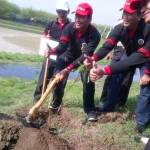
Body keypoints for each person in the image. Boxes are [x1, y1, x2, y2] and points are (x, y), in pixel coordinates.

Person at [85, 0, 150, 132]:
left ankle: (141, 121)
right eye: (124, 13)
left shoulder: (147, 29)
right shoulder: (119, 28)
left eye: (129, 14)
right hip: (131, 54)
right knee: (115, 74)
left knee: (146, 85)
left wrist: (148, 73)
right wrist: (93, 57)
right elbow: (107, 46)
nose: (125, 17)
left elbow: (137, 58)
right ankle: (109, 106)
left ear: (139, 16)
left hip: (146, 59)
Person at [45, 3, 101, 121]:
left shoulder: (95, 34)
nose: (78, 19)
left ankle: (90, 109)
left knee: (88, 79)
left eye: (82, 17)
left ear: (89, 19)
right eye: (77, 16)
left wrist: (68, 69)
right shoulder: (69, 27)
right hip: (69, 55)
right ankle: (56, 102)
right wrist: (52, 51)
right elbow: (62, 47)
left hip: (85, 59)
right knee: (58, 75)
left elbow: (85, 56)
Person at [33, 0, 70, 106]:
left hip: (63, 59)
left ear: (68, 12)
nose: (61, 14)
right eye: (59, 11)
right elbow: (44, 36)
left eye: (64, 12)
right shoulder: (51, 24)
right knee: (42, 82)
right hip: (50, 57)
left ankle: (55, 104)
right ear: (56, 12)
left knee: (59, 84)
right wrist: (45, 37)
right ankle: (37, 102)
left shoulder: (71, 26)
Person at [99, 43, 135, 109]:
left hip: (133, 49)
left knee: (126, 79)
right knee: (110, 77)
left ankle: (120, 103)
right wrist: (109, 52)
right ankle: (103, 101)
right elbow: (112, 38)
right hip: (118, 49)